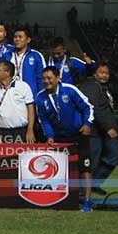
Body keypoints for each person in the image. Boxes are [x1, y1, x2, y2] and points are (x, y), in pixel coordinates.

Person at [35, 66, 94, 212]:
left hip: (79, 134)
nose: (46, 81)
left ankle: (87, 201)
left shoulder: (70, 90)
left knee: (84, 167)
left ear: (58, 78)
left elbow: (88, 107)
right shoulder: (40, 97)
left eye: (49, 78)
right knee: (59, 169)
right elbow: (44, 121)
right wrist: (49, 136)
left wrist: (87, 124)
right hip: (60, 137)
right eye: (44, 79)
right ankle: (60, 200)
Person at [77, 63, 118, 195]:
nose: (104, 75)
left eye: (106, 73)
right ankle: (81, 192)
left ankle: (93, 184)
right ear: (95, 73)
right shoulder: (91, 87)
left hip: (101, 131)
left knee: (110, 157)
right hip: (94, 131)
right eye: (101, 72)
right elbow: (93, 109)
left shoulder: (102, 87)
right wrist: (108, 127)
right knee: (91, 163)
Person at [0, 61, 36, 144]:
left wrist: (30, 130)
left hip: (22, 131)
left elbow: (30, 110)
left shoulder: (23, 86)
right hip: (2, 132)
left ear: (7, 72)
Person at [4, 26, 46, 96]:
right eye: (15, 37)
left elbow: (42, 78)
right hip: (10, 96)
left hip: (30, 96)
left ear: (28, 40)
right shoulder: (7, 55)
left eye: (20, 37)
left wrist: (40, 97)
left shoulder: (36, 56)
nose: (17, 39)